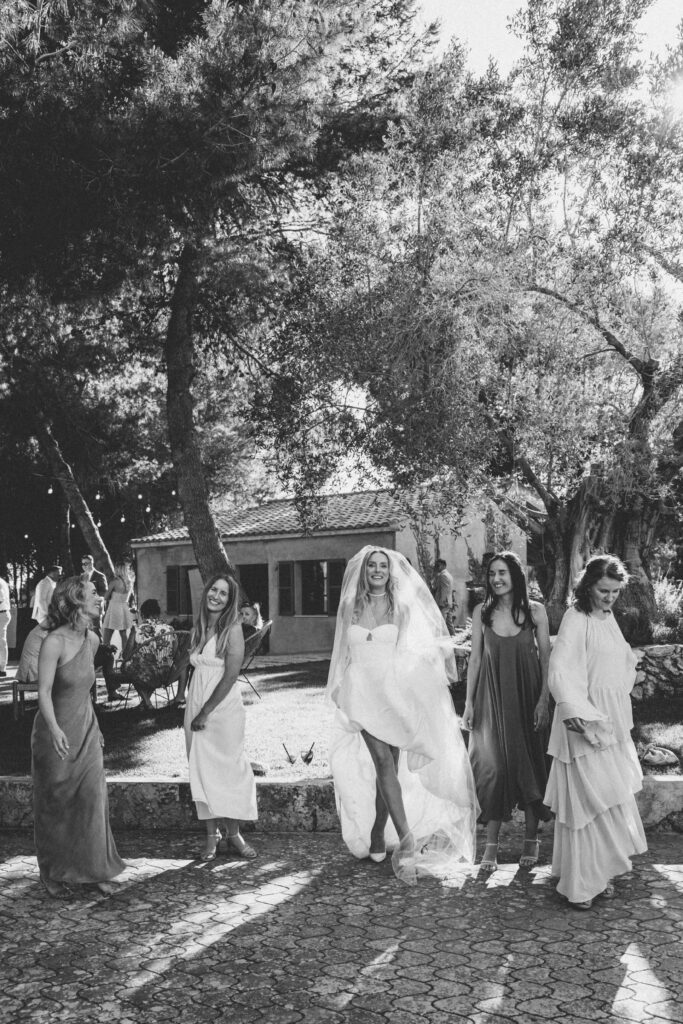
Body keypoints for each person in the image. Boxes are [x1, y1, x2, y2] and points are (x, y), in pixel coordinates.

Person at [327, 546, 479, 884]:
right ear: (364, 571)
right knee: (382, 761)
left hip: (392, 694)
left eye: (383, 566)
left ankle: (379, 830)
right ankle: (407, 839)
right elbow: (341, 652)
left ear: (390, 571)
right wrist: (338, 689)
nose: (378, 571)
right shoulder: (350, 606)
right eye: (372, 566)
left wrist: (420, 689)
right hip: (360, 692)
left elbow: (413, 652)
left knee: (391, 768)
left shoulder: (402, 607)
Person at [544, 554, 647, 910]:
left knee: (607, 801)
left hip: (611, 722)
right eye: (604, 591)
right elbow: (559, 669)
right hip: (583, 721)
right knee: (586, 804)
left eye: (616, 592)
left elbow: (615, 659)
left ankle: (598, 873)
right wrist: (572, 710)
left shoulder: (608, 617)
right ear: (588, 586)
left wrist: (629, 664)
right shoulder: (576, 618)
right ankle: (581, 883)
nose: (610, 598)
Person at [32, 577, 125, 897]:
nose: (102, 598)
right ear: (75, 602)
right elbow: (43, 692)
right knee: (56, 803)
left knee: (92, 800)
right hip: (53, 733)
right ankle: (52, 872)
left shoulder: (94, 639)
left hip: (86, 730)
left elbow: (89, 690)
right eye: (94, 594)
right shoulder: (54, 642)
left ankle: (96, 870)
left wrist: (96, 727)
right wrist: (55, 729)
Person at [463, 551, 551, 872]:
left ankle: (531, 839)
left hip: (529, 698)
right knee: (494, 769)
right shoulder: (481, 613)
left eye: (502, 573)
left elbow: (546, 661)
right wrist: (469, 703)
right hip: (492, 699)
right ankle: (491, 844)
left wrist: (544, 700)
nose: (496, 579)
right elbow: (474, 660)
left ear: (515, 576)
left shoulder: (535, 612)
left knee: (529, 762)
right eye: (492, 574)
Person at [184, 574, 257, 861]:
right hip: (196, 700)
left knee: (228, 768)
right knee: (200, 768)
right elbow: (195, 665)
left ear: (230, 600)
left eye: (223, 594)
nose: (216, 596)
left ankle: (234, 834)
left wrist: (206, 711)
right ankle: (210, 836)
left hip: (222, 706)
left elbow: (230, 675)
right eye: (214, 590)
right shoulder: (200, 624)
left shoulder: (233, 628)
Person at [102, 561, 135, 649]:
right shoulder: (130, 582)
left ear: (118, 570)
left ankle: (105, 653)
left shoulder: (115, 582)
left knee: (107, 633)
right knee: (123, 634)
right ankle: (126, 656)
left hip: (114, 609)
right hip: (123, 608)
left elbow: (105, 596)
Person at [433, 558, 455, 635]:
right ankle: (453, 636)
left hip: (443, 603)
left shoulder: (443, 575)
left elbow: (444, 590)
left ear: (443, 566)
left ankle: (443, 638)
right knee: (449, 622)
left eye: (437, 565)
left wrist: (441, 602)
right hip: (448, 602)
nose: (436, 567)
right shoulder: (448, 575)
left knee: (442, 622)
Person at [0, 572, 10, 678]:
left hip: (1, 614)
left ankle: (2, 668)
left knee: (1, 641)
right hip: (2, 613)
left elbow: (0, 599)